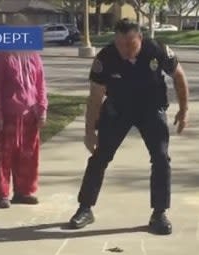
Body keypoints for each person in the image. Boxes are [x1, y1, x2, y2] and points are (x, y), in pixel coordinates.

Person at [68, 18, 190, 235]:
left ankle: (159, 213)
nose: (125, 49)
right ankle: (85, 208)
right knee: (99, 157)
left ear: (140, 39)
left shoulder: (157, 49)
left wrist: (184, 110)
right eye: (120, 44)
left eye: (130, 44)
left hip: (151, 109)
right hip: (118, 110)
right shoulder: (105, 58)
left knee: (161, 158)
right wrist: (89, 132)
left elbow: (179, 77)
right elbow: (95, 98)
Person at [0, 14, 48, 208]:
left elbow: (41, 85)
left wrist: (42, 109)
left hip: (30, 114)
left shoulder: (34, 56)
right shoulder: (0, 56)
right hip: (8, 115)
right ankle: (3, 193)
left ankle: (24, 191)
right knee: (4, 155)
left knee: (29, 155)